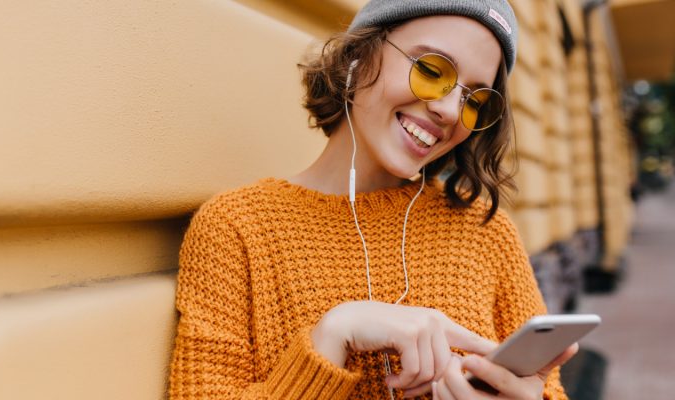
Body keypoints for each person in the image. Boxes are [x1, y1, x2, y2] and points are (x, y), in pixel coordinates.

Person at [168, 1, 577, 398]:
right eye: (432, 70)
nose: (450, 111)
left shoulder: (487, 231)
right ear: (358, 56)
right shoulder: (238, 227)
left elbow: (549, 390)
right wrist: (333, 336)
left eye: (475, 99)